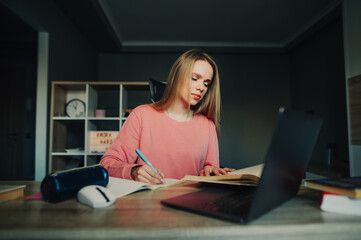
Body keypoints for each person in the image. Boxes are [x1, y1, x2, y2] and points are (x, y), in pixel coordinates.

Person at [100, 49, 234, 184]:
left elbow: (211, 171)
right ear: (177, 76)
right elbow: (107, 164)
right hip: (149, 201)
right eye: (194, 78)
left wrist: (211, 173)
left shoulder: (207, 126)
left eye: (206, 83)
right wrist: (133, 171)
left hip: (190, 201)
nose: (201, 88)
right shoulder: (141, 115)